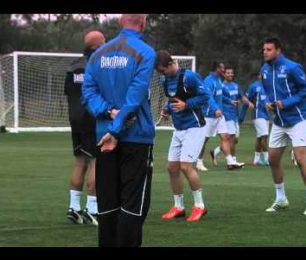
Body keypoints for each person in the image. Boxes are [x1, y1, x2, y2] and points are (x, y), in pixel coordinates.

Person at [82, 14, 156, 247]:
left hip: (104, 139)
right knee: (133, 207)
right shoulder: (145, 52)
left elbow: (88, 94)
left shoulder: (97, 55)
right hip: (134, 138)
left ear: (120, 22)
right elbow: (135, 96)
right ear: (143, 24)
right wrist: (116, 129)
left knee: (108, 206)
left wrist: (108, 112)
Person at [260, 37, 306, 216]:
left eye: (269, 49)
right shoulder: (264, 69)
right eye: (264, 49)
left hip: (297, 120)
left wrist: (286, 102)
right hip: (278, 122)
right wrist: (268, 103)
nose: (265, 52)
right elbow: (266, 92)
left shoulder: (293, 67)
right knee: (272, 159)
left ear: (278, 50)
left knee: (301, 159)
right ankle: (281, 199)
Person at [155, 50, 209, 222]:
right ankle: (178, 207)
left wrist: (187, 105)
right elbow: (171, 99)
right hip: (178, 129)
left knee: (186, 166)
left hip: (194, 127)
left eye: (163, 70)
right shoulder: (165, 80)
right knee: (172, 167)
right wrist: (167, 109)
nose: (162, 74)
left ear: (171, 64)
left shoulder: (190, 77)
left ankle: (200, 206)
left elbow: (205, 96)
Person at [64, 30, 105, 226]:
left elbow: (69, 94)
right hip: (92, 119)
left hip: (75, 120)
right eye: (104, 42)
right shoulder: (97, 66)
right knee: (96, 163)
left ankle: (74, 207)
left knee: (80, 162)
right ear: (96, 47)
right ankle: (92, 209)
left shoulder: (72, 67)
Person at [196, 62, 244, 171]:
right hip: (209, 115)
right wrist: (215, 109)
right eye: (222, 68)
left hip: (219, 114)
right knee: (204, 139)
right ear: (217, 69)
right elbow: (208, 97)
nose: (224, 70)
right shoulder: (209, 81)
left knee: (225, 137)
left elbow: (220, 95)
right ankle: (199, 162)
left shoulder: (218, 80)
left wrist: (229, 101)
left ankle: (230, 162)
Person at [209, 65, 252, 166]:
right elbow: (220, 97)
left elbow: (242, 97)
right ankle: (233, 160)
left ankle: (215, 152)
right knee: (230, 138)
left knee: (234, 140)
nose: (230, 74)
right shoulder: (221, 86)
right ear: (224, 74)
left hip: (234, 116)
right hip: (226, 115)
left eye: (231, 73)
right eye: (228, 73)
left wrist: (248, 102)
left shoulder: (236, 86)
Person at [240, 72, 270, 166]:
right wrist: (241, 116)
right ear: (259, 76)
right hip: (257, 114)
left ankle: (256, 160)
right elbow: (246, 100)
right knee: (264, 135)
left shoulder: (269, 86)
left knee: (260, 137)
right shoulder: (254, 86)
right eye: (263, 74)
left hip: (266, 115)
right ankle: (267, 159)